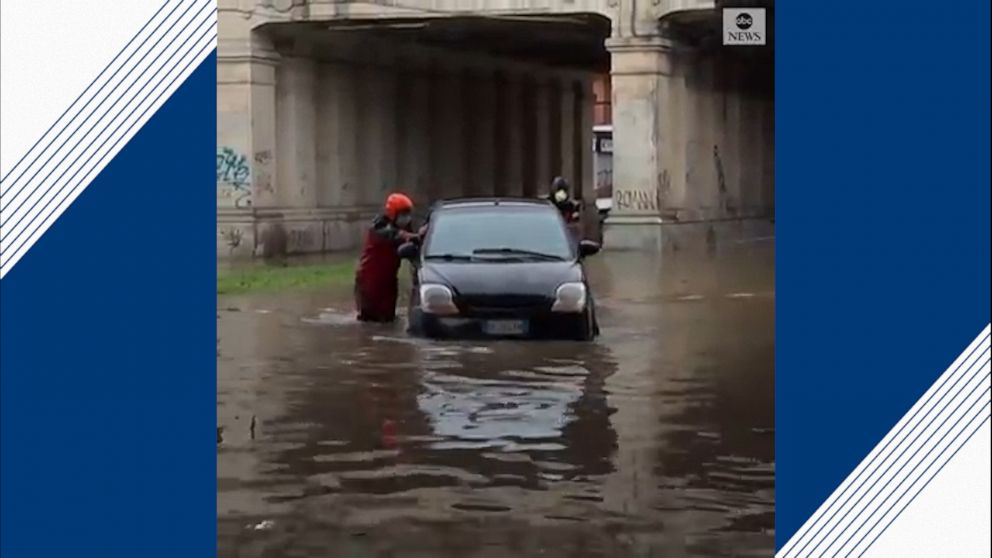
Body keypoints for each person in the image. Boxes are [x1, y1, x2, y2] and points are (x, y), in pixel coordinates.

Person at [354, 193, 420, 322]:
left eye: (408, 213)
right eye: (403, 213)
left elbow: (410, 245)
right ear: (393, 213)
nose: (406, 218)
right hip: (370, 282)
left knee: (388, 319)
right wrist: (411, 236)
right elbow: (394, 235)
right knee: (369, 320)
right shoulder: (379, 227)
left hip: (389, 281)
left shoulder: (404, 228)